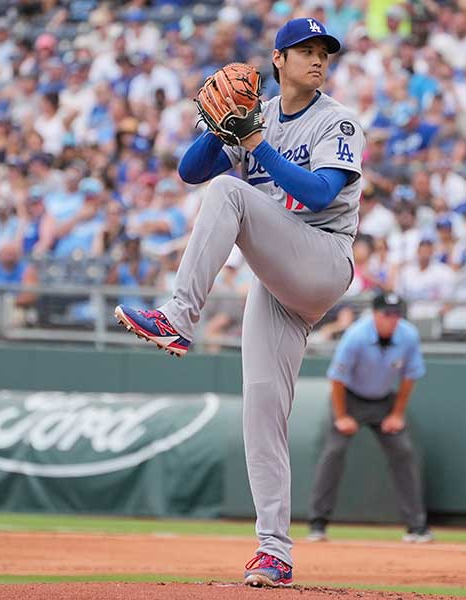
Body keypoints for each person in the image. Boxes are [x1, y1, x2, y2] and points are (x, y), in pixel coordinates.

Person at [114, 18, 363, 588]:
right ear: (278, 59)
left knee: (232, 190)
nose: (318, 59)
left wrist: (252, 144)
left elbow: (321, 192)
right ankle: (274, 552)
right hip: (277, 283)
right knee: (261, 415)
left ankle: (177, 316)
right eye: (305, 50)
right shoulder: (259, 110)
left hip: (323, 260)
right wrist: (215, 126)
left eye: (325, 51)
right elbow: (189, 171)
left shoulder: (337, 119)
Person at [307, 293, 430, 543]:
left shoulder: (408, 335)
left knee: (404, 452)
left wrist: (397, 413)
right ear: (375, 314)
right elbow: (337, 379)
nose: (392, 320)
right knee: (334, 451)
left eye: (396, 314)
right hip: (349, 398)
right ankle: (318, 523)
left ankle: (416, 527)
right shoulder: (356, 335)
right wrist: (341, 416)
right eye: (387, 314)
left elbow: (410, 376)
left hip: (384, 400)